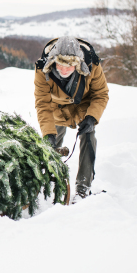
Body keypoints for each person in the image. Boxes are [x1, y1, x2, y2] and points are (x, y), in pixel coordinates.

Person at [33, 36, 109, 200]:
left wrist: (91, 117)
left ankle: (83, 187)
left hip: (83, 106)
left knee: (88, 136)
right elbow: (43, 103)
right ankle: (47, 185)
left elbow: (101, 94)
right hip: (56, 108)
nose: (65, 70)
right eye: (60, 65)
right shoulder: (42, 70)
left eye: (70, 66)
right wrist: (48, 133)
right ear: (53, 61)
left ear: (78, 63)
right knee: (50, 145)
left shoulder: (92, 65)